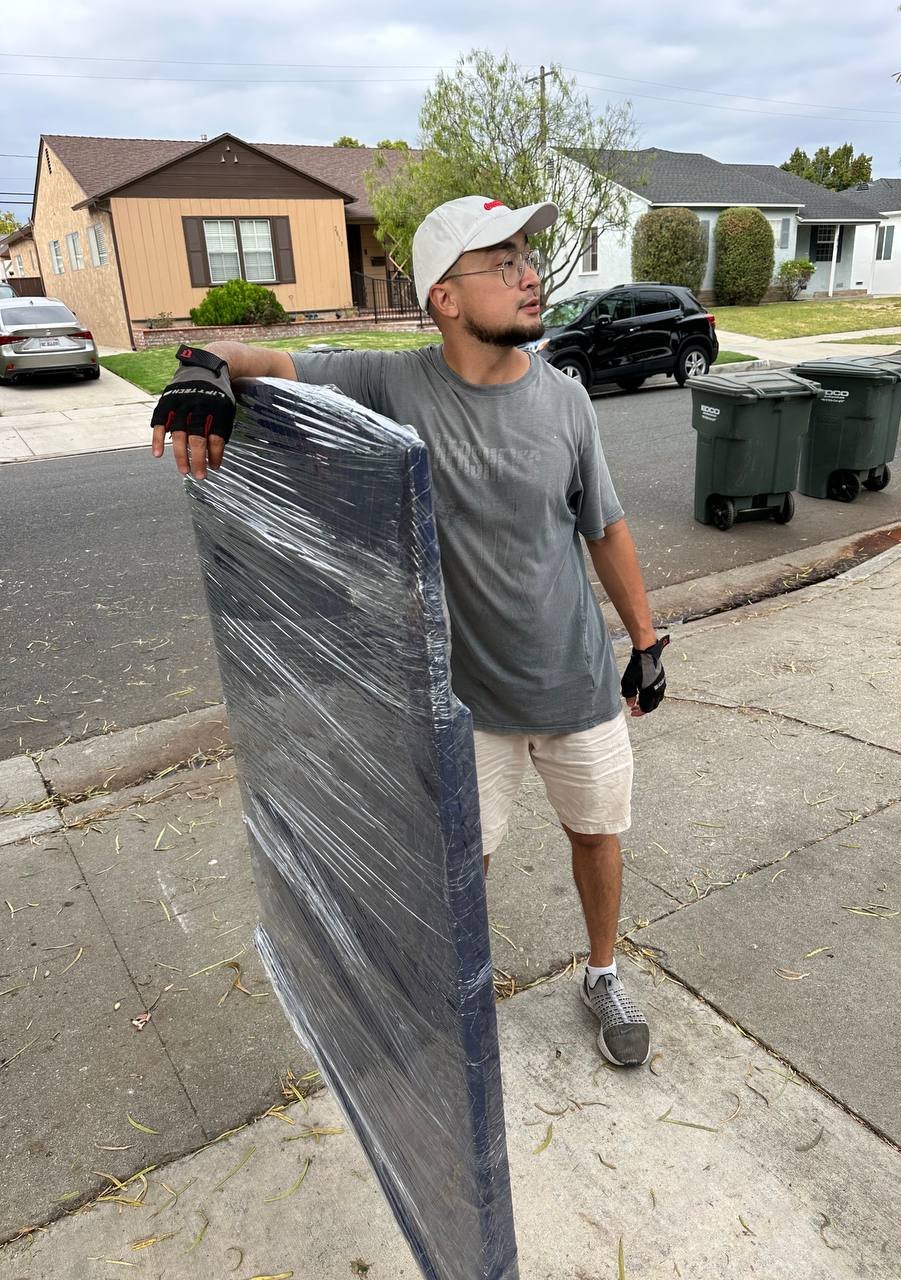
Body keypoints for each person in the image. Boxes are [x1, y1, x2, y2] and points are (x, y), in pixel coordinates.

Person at [151, 196, 669, 1068]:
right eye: (501, 263)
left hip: (577, 681)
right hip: (470, 702)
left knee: (596, 834)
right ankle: (460, 994)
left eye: (526, 258)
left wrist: (646, 643)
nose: (530, 274)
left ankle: (604, 972)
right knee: (467, 865)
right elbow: (270, 359)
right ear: (446, 298)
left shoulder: (568, 402)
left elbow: (603, 528)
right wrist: (204, 364)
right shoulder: (394, 384)